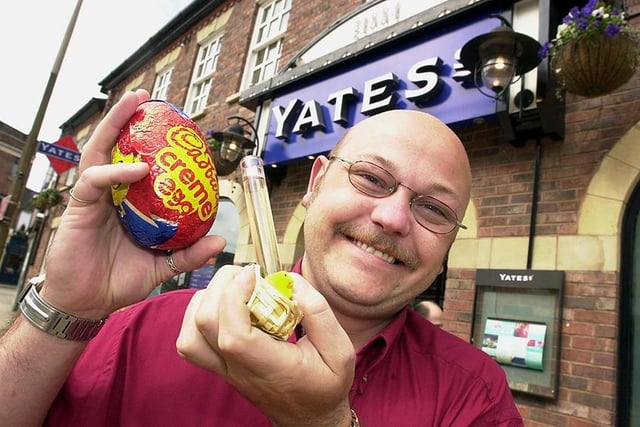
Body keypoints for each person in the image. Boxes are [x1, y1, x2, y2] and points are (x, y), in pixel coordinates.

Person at [0, 90, 523, 426]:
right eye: (370, 178)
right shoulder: (143, 330)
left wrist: (327, 424)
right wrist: (64, 307)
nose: (392, 217)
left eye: (433, 208)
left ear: (450, 240)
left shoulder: (474, 399)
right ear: (316, 184)